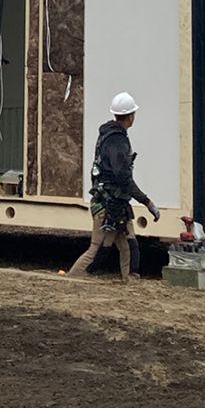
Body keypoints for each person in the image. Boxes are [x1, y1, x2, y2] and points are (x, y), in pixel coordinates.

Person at [69, 92, 159, 281]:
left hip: (115, 204)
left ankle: (131, 281)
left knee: (129, 246)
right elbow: (123, 177)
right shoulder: (117, 140)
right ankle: (73, 278)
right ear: (130, 116)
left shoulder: (107, 136)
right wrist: (147, 202)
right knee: (98, 249)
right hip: (109, 206)